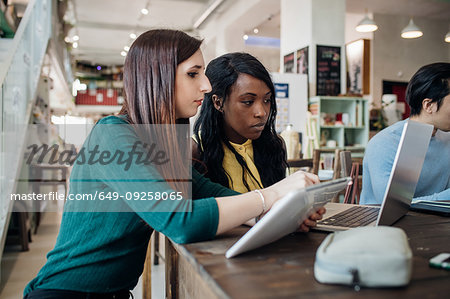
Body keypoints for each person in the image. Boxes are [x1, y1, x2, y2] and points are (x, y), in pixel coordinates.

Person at [24, 30, 323, 298]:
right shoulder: (113, 134)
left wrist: (281, 213)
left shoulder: (165, 144)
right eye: (193, 74)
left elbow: (208, 192)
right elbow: (180, 220)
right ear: (159, 77)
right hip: (65, 292)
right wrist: (270, 195)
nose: (206, 85)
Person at [192, 52, 287, 194]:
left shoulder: (274, 145)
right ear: (218, 102)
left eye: (267, 100)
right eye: (248, 101)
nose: (262, 112)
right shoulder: (196, 151)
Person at [361, 62, 450, 204]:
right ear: (428, 105)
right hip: (383, 224)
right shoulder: (385, 143)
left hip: (435, 222)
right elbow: (393, 205)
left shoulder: (446, 138)